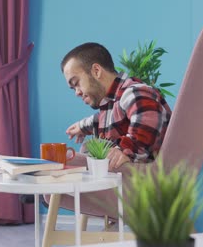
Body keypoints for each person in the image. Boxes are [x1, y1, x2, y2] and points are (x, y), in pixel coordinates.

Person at [61, 42, 172, 171]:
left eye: (76, 83)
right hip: (123, 180)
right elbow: (107, 121)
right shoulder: (112, 103)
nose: (77, 93)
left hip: (143, 180)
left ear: (96, 71)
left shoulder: (134, 93)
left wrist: (123, 151)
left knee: (69, 159)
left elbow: (147, 125)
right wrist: (82, 126)